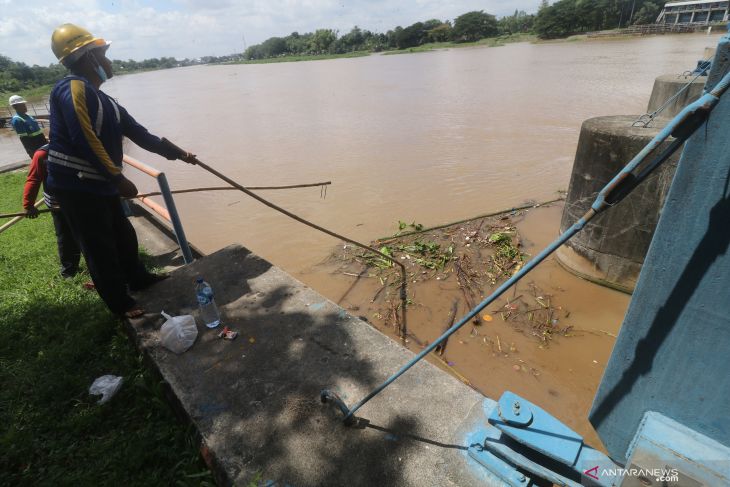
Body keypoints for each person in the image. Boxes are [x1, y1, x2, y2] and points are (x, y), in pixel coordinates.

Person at [47, 23, 196, 318]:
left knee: (123, 235)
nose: (109, 61)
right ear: (90, 59)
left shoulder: (107, 102)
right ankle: (120, 303)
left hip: (98, 183)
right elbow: (84, 137)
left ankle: (138, 279)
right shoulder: (71, 89)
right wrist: (117, 177)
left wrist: (179, 154)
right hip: (76, 185)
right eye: (104, 54)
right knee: (98, 245)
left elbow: (141, 134)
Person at [23, 143, 82, 279]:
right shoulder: (42, 154)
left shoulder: (80, 146)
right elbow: (34, 179)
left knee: (84, 233)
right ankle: (69, 270)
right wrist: (28, 205)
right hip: (59, 205)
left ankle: (95, 265)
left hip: (81, 200)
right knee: (66, 236)